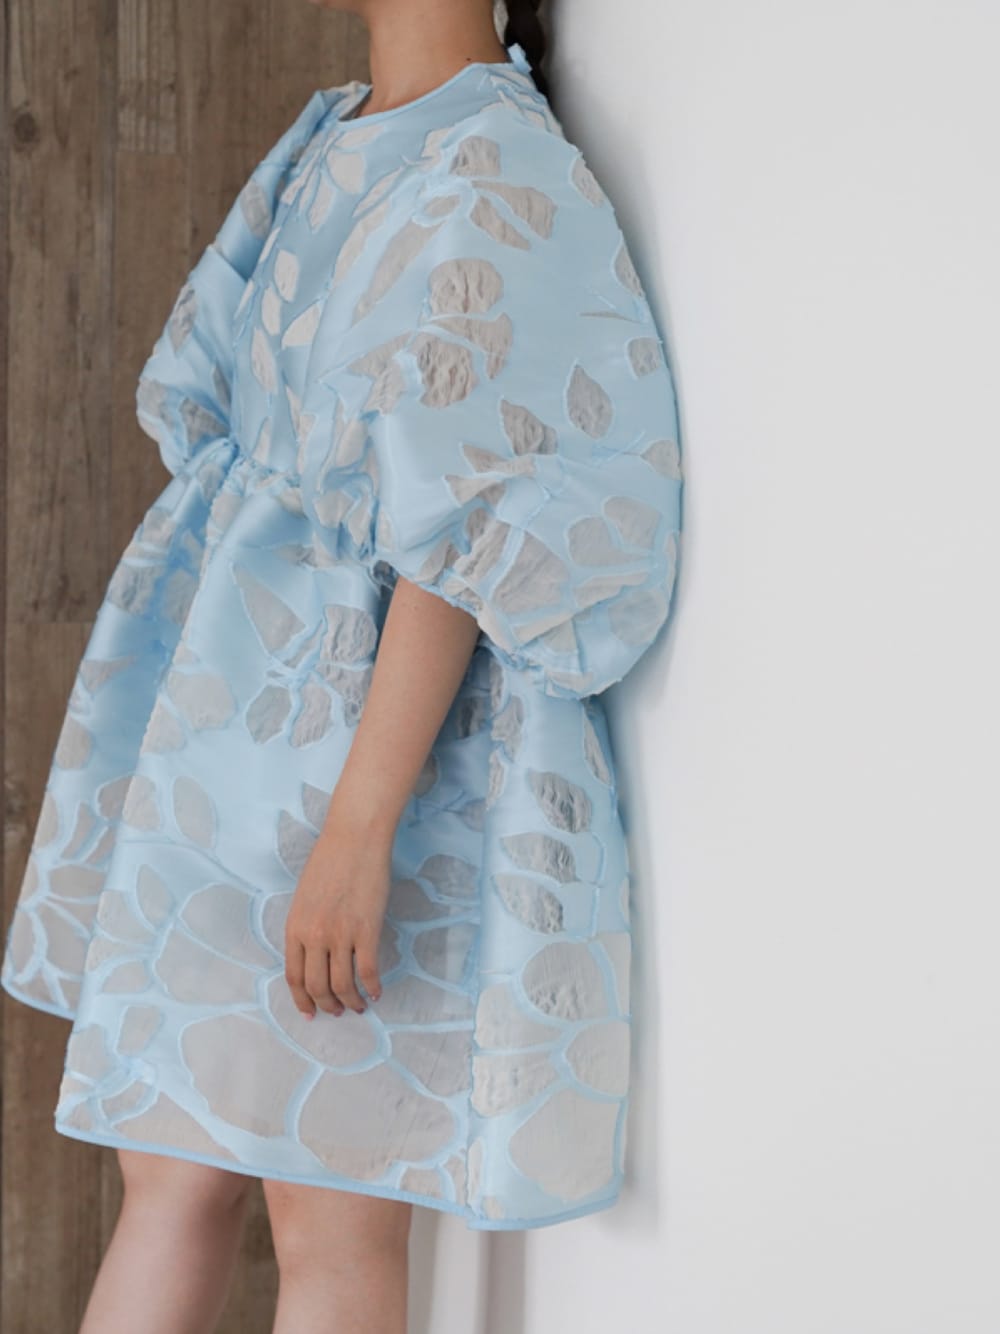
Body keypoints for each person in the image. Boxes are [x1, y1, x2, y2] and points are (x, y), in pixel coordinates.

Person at [0, 0, 683, 1329]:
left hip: (360, 768)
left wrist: (359, 830)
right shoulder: (338, 133)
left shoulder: (496, 168)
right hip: (225, 751)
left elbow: (463, 534)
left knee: (329, 1213)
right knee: (169, 1166)